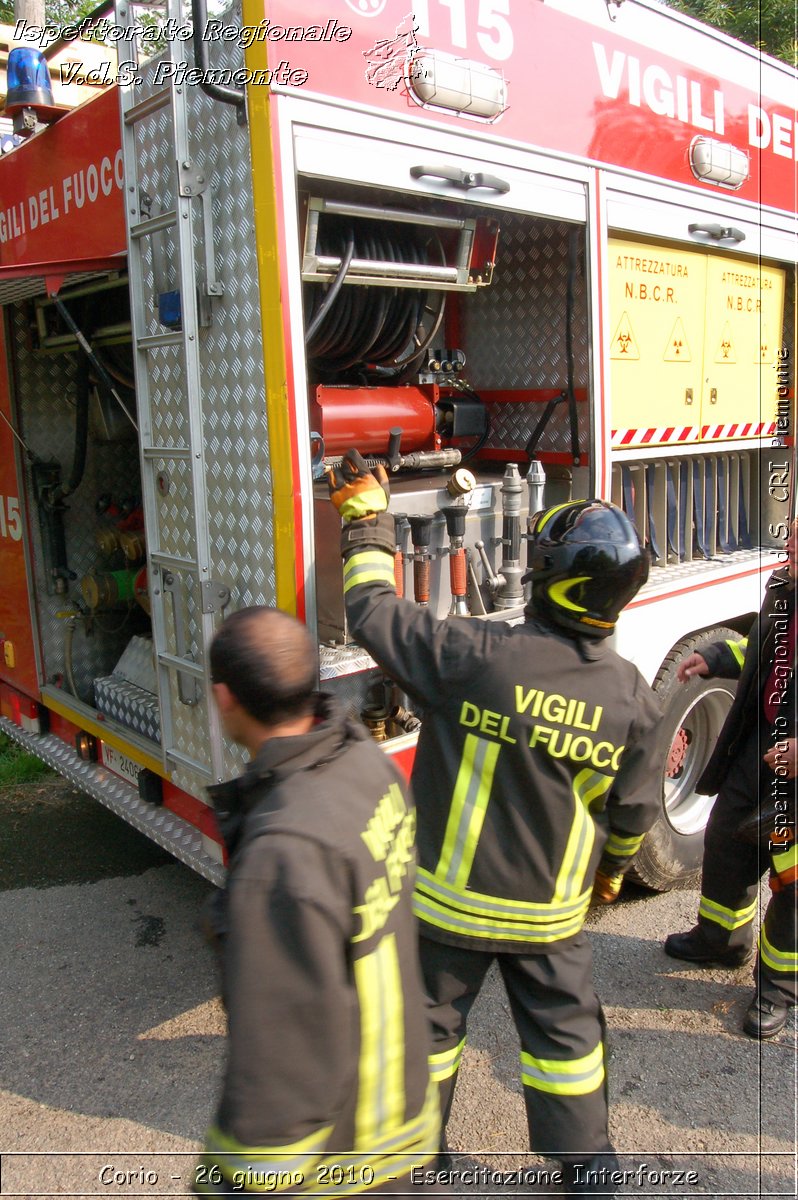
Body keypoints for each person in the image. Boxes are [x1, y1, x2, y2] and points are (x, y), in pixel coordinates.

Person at [327, 451, 663, 1198]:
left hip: (449, 906)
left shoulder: (473, 658)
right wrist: (608, 876)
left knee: (428, 1030)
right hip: (549, 914)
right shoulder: (632, 700)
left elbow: (373, 612)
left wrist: (364, 519)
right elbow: (633, 813)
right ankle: (590, 1170)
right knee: (566, 1037)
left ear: (552, 582)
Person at [194, 606, 441, 1197]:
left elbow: (282, 1070)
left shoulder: (283, 854)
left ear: (224, 698)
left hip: (346, 1164)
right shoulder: (364, 764)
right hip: (403, 1122)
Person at [664, 517, 798, 1039]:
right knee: (726, 843)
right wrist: (717, 656)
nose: (788, 541)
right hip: (760, 746)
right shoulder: (785, 589)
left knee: (791, 880)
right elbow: (762, 653)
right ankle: (721, 941)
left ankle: (778, 988)